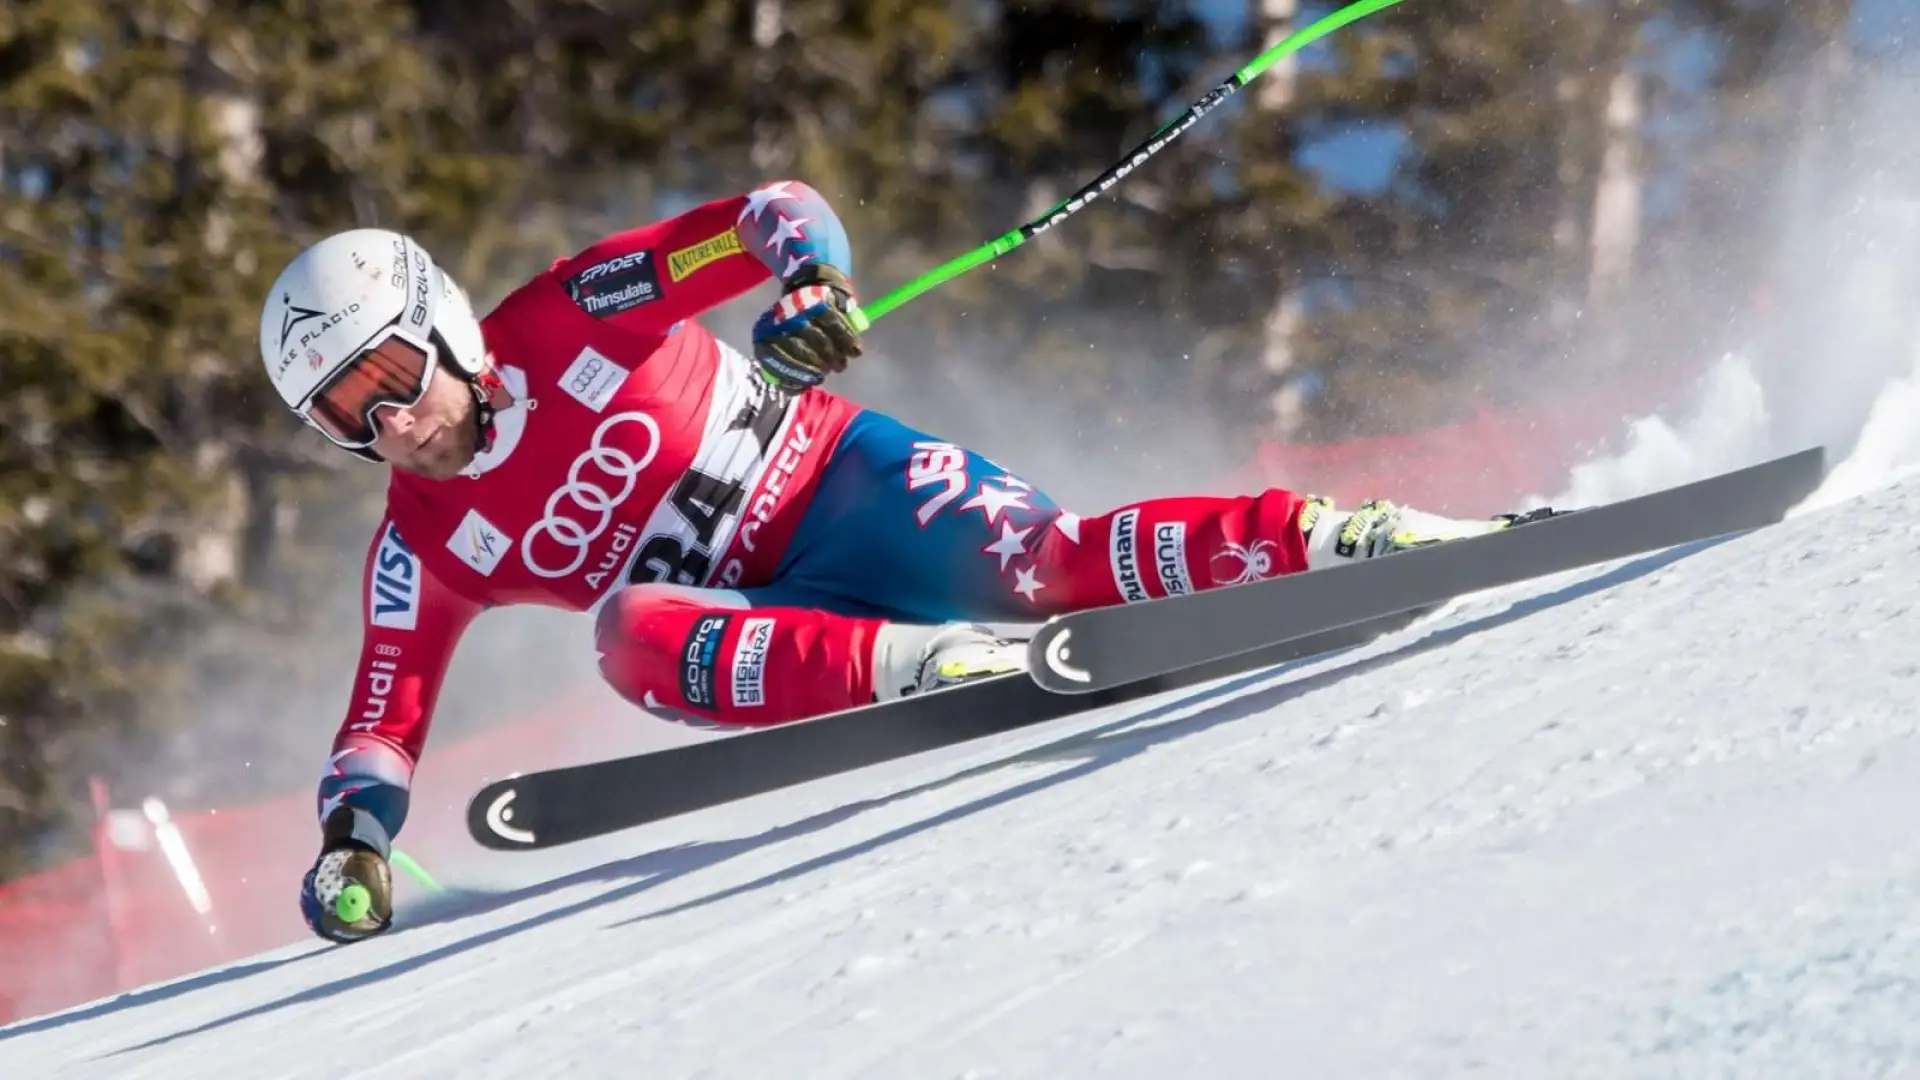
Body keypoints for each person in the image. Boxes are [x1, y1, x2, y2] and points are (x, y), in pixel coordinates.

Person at [260, 180, 1553, 943]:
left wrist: (809, 286)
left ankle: (1345, 540)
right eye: (343, 416)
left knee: (1054, 570)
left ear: (444, 325)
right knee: (628, 636)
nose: (390, 426)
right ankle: (938, 669)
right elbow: (383, 720)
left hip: (851, 488)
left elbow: (770, 214)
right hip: (779, 623)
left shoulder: (570, 311)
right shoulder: (421, 544)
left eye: (390, 374)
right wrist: (353, 847)